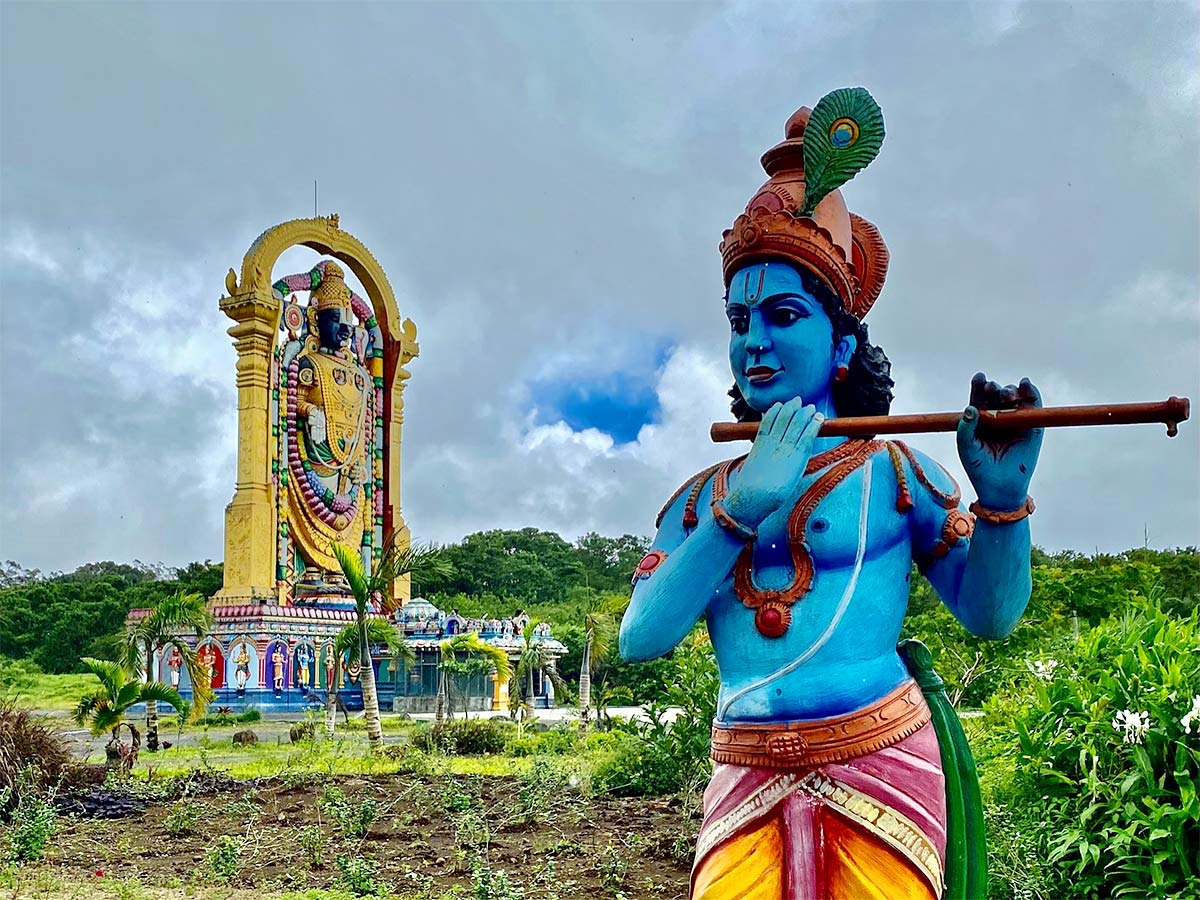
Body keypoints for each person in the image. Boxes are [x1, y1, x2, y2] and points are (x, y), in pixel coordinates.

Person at [619, 89, 1043, 900]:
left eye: (782, 315)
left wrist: (1002, 506)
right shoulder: (697, 501)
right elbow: (642, 636)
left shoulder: (897, 477)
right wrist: (741, 508)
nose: (756, 342)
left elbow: (992, 616)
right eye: (740, 321)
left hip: (880, 767)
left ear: (842, 342)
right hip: (743, 781)